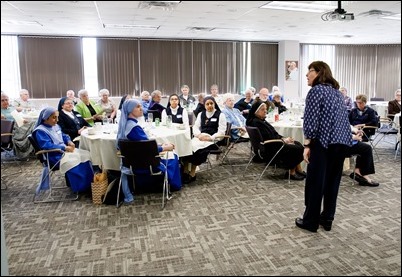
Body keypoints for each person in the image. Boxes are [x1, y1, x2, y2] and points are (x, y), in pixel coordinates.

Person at [297, 61, 352, 233]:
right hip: (342, 143)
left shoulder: (316, 90)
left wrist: (307, 144)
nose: (307, 75)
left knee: (315, 182)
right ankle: (327, 218)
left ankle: (310, 222)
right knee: (332, 182)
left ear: (319, 72)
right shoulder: (337, 93)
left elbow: (311, 120)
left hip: (324, 143)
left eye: (309, 71)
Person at [116, 99, 182, 204]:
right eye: (137, 107)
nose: (141, 108)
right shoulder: (134, 129)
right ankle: (174, 187)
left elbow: (142, 146)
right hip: (146, 164)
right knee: (173, 157)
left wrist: (160, 145)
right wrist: (165, 148)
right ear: (130, 110)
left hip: (131, 164)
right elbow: (148, 148)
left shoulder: (125, 126)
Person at [33, 107, 93, 194]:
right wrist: (64, 148)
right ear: (46, 118)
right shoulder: (40, 131)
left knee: (86, 155)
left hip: (63, 152)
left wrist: (69, 141)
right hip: (53, 156)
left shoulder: (55, 126)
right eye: (54, 117)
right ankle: (80, 187)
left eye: (57, 117)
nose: (57, 120)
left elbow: (64, 135)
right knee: (76, 161)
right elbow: (47, 145)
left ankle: (87, 184)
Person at [246, 100, 305, 180]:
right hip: (270, 148)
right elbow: (269, 137)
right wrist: (283, 140)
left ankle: (298, 170)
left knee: (297, 143)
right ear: (256, 111)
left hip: (272, 144)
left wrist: (283, 138)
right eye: (262, 109)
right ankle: (291, 173)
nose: (265, 111)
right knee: (298, 148)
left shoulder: (260, 120)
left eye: (266, 109)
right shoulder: (257, 123)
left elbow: (273, 133)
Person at [182, 96, 227, 183]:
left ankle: (192, 173)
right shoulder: (201, 114)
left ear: (214, 104)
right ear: (204, 105)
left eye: (211, 103)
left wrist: (210, 137)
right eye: (207, 104)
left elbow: (221, 132)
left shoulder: (220, 115)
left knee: (198, 150)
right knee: (187, 146)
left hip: (214, 140)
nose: (210, 105)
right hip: (201, 137)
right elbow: (196, 127)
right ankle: (185, 170)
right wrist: (198, 135)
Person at [1, 91, 35, 159]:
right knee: (32, 128)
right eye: (2, 100)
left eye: (6, 100)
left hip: (19, 127)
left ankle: (35, 150)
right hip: (11, 131)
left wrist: (23, 120)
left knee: (34, 124)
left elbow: (18, 118)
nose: (5, 102)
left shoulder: (11, 108)